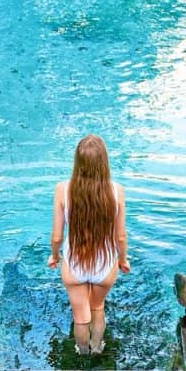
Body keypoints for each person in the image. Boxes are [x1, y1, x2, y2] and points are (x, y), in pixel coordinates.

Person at [48, 135, 130, 355]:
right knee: (98, 308)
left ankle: (82, 352)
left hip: (74, 263)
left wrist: (55, 256)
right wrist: (123, 260)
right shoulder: (116, 191)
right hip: (105, 265)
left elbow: (57, 236)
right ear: (104, 162)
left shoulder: (62, 189)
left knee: (80, 316)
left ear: (77, 161)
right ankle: (97, 347)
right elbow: (120, 236)